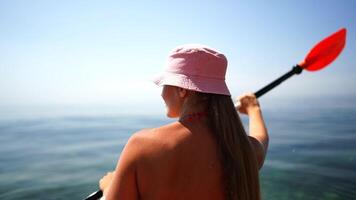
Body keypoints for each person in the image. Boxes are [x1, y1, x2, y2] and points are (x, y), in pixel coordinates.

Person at [99, 44, 269, 200]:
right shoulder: (243, 150)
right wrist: (254, 110)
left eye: (164, 84)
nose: (161, 94)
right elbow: (261, 140)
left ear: (182, 89)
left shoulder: (141, 145)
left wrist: (108, 188)